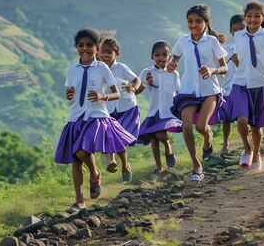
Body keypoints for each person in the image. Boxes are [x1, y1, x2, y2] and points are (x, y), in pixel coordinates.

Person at [55, 28, 136, 213]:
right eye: (81, 45)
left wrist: (102, 96)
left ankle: (95, 174)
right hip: (76, 117)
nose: (85, 49)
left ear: (97, 48)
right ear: (76, 47)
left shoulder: (102, 68)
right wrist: (69, 94)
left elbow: (116, 93)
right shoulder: (72, 69)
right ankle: (79, 201)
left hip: (96, 116)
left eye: (89, 45)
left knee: (82, 152)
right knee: (75, 160)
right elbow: (71, 91)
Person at [168, 4, 228, 181]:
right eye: (190, 21)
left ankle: (208, 136)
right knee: (187, 126)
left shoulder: (212, 42)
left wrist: (212, 70)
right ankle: (196, 165)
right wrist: (172, 65)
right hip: (188, 91)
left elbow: (224, 67)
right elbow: (175, 59)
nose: (193, 25)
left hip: (210, 90)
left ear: (207, 23)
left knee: (201, 127)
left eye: (198, 21)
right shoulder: (182, 41)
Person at [227, 0, 264, 170]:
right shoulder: (239, 36)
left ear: (263, 17)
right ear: (245, 17)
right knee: (241, 119)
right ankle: (246, 150)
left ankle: (257, 153)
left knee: (256, 126)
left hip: (259, 84)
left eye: (257, 16)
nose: (253, 19)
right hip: (240, 84)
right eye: (249, 16)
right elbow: (237, 55)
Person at [135, 41, 183, 177]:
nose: (161, 58)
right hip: (154, 111)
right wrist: (145, 82)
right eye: (157, 55)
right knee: (153, 138)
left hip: (168, 111)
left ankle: (169, 148)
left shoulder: (173, 74)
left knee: (160, 134)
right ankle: (159, 167)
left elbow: (178, 92)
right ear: (152, 57)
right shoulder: (147, 72)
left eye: (164, 55)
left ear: (170, 56)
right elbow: (137, 90)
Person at [98, 37, 141, 182]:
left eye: (108, 52)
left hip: (127, 108)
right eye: (102, 52)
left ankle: (124, 166)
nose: (105, 55)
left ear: (117, 53)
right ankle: (113, 161)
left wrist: (133, 87)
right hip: (108, 110)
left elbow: (137, 79)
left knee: (120, 139)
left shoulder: (121, 68)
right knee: (111, 137)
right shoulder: (97, 69)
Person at [218, 14, 245, 156]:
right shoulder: (226, 49)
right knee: (226, 119)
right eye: (235, 30)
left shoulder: (248, 48)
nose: (239, 32)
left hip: (243, 88)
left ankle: (246, 143)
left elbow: (250, 70)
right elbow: (218, 64)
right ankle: (225, 144)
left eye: (242, 29)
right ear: (231, 31)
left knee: (243, 117)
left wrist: (237, 62)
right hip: (228, 87)